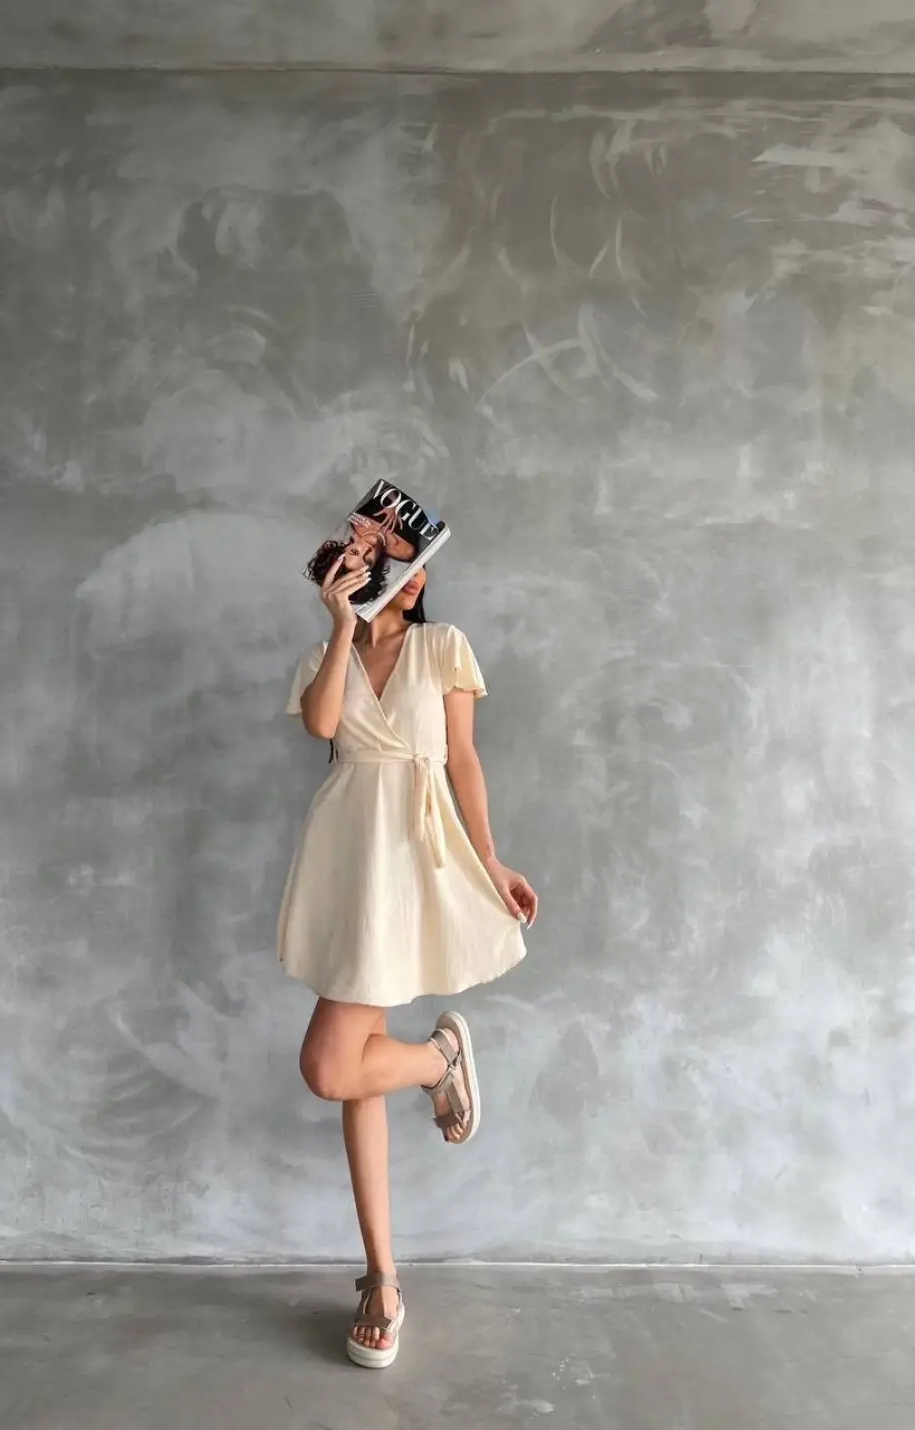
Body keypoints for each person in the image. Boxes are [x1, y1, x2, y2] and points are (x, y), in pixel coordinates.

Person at [278, 555, 538, 1369]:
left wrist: (490, 860)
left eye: (422, 558)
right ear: (354, 568)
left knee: (330, 1067)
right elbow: (324, 726)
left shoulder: (443, 646)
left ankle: (436, 1061)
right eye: (396, 557)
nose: (415, 574)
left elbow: (463, 759)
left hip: (412, 857)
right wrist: (341, 627)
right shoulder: (326, 655)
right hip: (349, 860)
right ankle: (382, 1281)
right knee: (353, 1072)